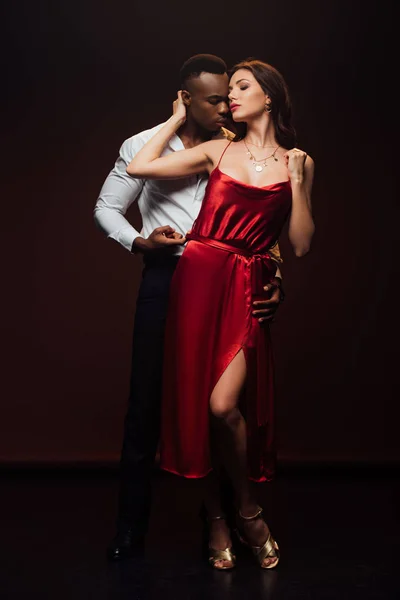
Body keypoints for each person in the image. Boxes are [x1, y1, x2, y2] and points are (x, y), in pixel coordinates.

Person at [94, 54, 285, 562]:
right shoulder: (144, 143)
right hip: (169, 275)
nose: (227, 105)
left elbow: (266, 222)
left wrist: (276, 277)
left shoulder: (239, 148)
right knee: (148, 405)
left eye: (231, 95)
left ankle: (221, 521)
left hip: (230, 281)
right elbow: (107, 207)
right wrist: (140, 243)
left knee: (223, 409)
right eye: (215, 99)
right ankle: (131, 529)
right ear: (186, 97)